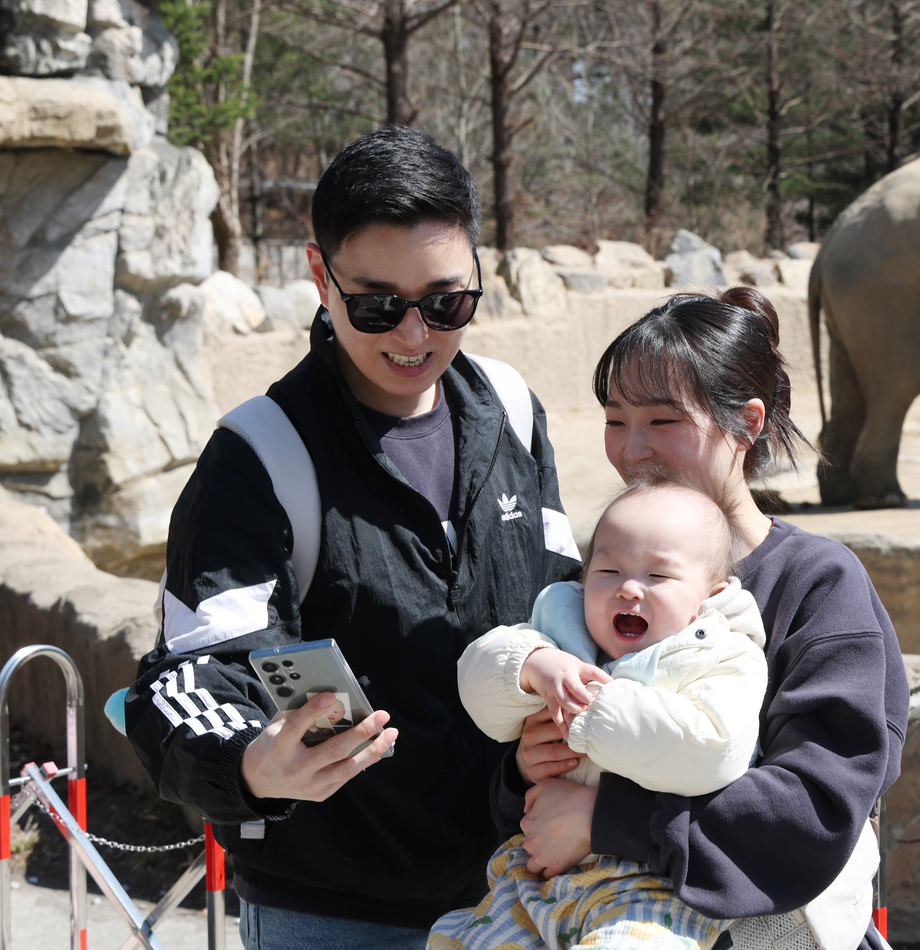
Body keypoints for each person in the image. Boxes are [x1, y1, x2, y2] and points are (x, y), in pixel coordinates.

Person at [123, 126, 581, 950]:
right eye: (377, 306)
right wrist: (253, 764)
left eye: (447, 302)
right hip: (335, 911)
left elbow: (567, 604)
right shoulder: (258, 456)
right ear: (318, 276)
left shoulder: (512, 410)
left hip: (525, 892)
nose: (415, 337)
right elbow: (187, 678)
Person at [491, 287, 909, 950]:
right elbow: (530, 798)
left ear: (746, 423)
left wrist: (611, 820)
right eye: (614, 420)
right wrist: (528, 767)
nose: (632, 451)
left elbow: (817, 807)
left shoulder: (818, 583)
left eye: (662, 422)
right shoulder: (603, 574)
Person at [432, 476, 767, 950]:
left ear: (708, 595)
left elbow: (712, 749)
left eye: (658, 576)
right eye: (607, 572)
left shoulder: (724, 657)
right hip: (538, 875)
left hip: (651, 883)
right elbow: (480, 689)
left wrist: (585, 711)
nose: (629, 589)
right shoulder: (559, 635)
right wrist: (531, 665)